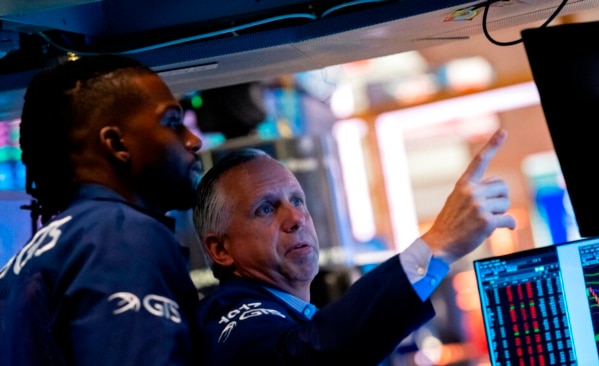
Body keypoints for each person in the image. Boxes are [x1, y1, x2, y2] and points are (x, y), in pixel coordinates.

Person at [192, 129, 515, 365]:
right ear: (221, 249)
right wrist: (439, 244)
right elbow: (307, 357)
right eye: (265, 208)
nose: (296, 218)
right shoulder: (229, 316)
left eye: (297, 201)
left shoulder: (292, 314)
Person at [0, 54, 204, 365]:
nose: (193, 140)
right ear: (117, 144)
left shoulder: (32, 258)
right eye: (173, 123)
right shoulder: (120, 234)